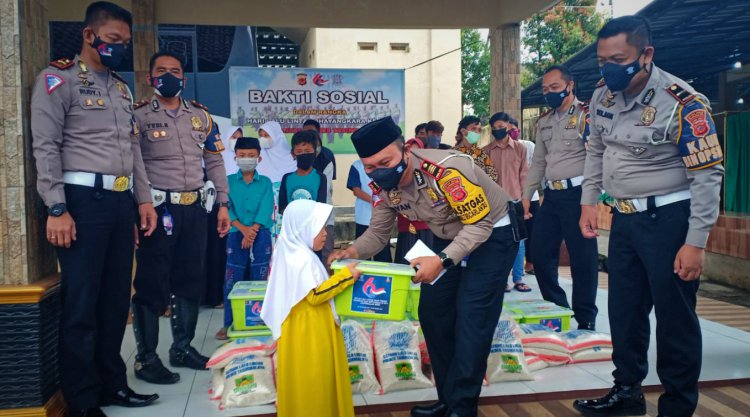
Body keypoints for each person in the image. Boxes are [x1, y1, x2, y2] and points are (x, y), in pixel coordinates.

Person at [574, 16, 724, 417]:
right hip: (623, 220)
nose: (608, 68)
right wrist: (589, 200)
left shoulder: (684, 103)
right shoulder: (603, 95)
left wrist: (695, 243)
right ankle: (626, 393)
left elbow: (708, 175)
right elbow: (595, 150)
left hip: (671, 222)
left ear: (646, 55)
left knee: (675, 320)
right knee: (623, 312)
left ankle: (676, 406)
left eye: (618, 59)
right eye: (602, 60)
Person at [329, 117, 518, 417]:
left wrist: (442, 261)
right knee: (433, 312)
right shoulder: (385, 184)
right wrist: (351, 251)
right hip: (451, 237)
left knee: (471, 317)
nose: (378, 171)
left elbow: (479, 224)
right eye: (370, 167)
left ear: (405, 150)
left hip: (494, 233)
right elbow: (378, 233)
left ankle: (463, 408)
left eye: (385, 162)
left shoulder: (447, 171)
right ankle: (448, 399)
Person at [30, 2, 158, 415]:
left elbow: (134, 150)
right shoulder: (57, 80)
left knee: (116, 300)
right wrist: (56, 207)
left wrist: (143, 200)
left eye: (124, 42)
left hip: (120, 204)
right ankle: (82, 401)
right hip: (81, 203)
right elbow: (45, 146)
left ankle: (112, 385)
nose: (118, 48)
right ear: (89, 36)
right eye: (112, 40)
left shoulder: (121, 89)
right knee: (83, 304)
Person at [130, 51, 231, 384]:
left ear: (183, 79)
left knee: (190, 280)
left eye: (175, 71)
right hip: (158, 210)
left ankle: (182, 348)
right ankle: (146, 358)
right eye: (162, 71)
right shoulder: (140, 117)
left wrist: (223, 204)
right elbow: (135, 165)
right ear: (150, 78)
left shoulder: (201, 117)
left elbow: (214, 162)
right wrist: (142, 203)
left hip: (194, 208)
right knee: (151, 283)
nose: (169, 76)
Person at [261, 200, 360, 417]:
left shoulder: (290, 251)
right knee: (316, 381)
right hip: (310, 332)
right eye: (320, 227)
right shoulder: (301, 259)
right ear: (303, 227)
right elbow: (315, 295)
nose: (325, 233)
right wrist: (346, 277)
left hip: (300, 329)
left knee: (301, 380)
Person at [522, 65, 598, 330]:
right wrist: (526, 195)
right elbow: (538, 162)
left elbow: (596, 158)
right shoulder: (544, 121)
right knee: (540, 253)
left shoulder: (587, 116)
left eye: (554, 88)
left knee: (582, 259)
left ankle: (586, 317)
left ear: (570, 86)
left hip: (579, 195)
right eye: (545, 89)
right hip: (551, 197)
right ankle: (557, 308)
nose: (549, 93)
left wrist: (591, 199)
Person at [215, 137, 275, 340]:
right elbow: (226, 207)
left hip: (261, 234)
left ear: (259, 158)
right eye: (242, 156)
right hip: (235, 234)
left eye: (251, 156)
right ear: (235, 157)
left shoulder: (265, 182)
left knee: (260, 278)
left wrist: (253, 230)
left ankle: (260, 321)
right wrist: (243, 230)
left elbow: (267, 207)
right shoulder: (228, 182)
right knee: (232, 278)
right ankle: (229, 323)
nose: (246, 159)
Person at [483, 112, 531, 293]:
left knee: (518, 242)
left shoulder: (520, 148)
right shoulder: (486, 151)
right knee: (495, 240)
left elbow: (524, 175)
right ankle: (501, 279)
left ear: (509, 126)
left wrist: (525, 201)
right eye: (494, 128)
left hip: (515, 201)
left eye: (501, 126)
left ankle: (518, 278)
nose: (498, 130)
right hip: (493, 203)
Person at [303, 119, 337, 263]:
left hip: (323, 214)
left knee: (325, 253)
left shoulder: (327, 156)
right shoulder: (299, 157)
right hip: (303, 217)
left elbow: (326, 188)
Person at [347, 159, 393, 262]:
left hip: (383, 217)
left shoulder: (384, 163)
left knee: (383, 254)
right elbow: (356, 191)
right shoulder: (356, 166)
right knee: (363, 255)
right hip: (363, 216)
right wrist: (375, 201)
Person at [512, 118, 540, 275]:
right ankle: (515, 270)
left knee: (533, 231)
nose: (513, 133)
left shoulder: (528, 145)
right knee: (518, 234)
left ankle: (530, 263)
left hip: (532, 196)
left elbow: (536, 167)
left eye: (515, 129)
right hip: (514, 197)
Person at [279, 130, 329, 213]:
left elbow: (321, 207)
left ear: (315, 153)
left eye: (307, 151)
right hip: (292, 224)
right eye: (299, 151)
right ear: (293, 154)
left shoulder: (320, 177)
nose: (303, 154)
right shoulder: (287, 178)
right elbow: (282, 207)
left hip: (312, 224)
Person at [453, 115, 498, 182]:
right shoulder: (452, 153)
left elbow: (493, 175)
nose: (477, 132)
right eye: (473, 129)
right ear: (463, 131)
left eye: (479, 130)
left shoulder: (482, 154)